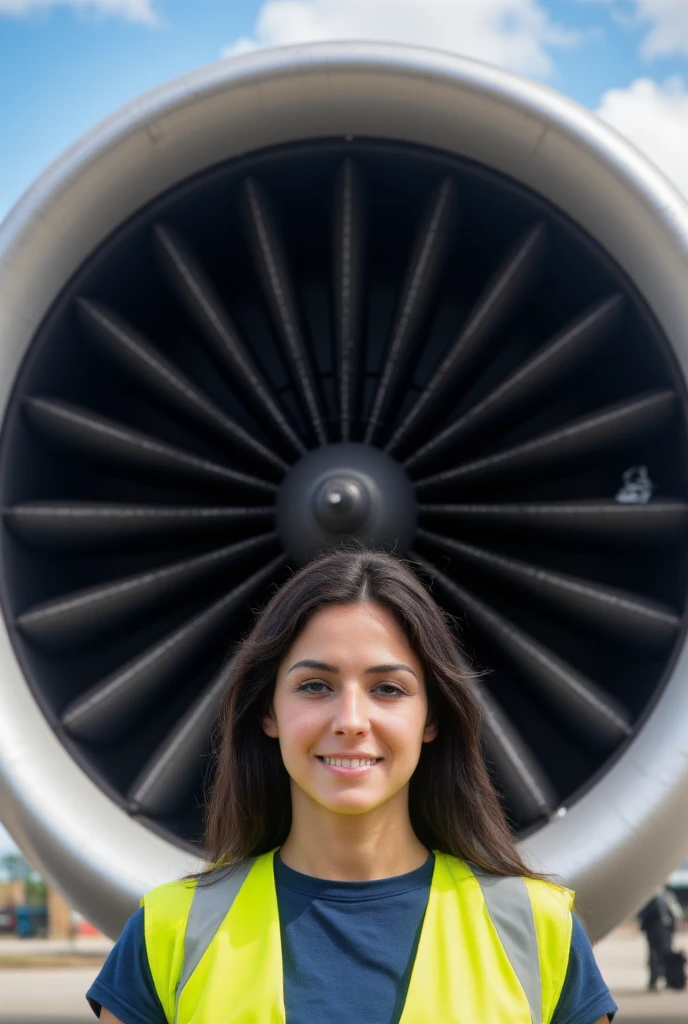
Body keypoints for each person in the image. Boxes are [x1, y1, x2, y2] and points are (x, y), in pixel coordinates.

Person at [86, 548, 617, 1024]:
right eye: (315, 686)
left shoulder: (538, 931)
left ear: (431, 719)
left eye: (388, 688)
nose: (351, 720)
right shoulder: (167, 933)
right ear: (269, 711)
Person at [638, 891, 677, 991]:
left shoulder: (662, 897)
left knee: (661, 956)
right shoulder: (658, 898)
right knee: (657, 956)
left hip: (662, 930)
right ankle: (656, 981)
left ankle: (665, 981)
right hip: (658, 930)